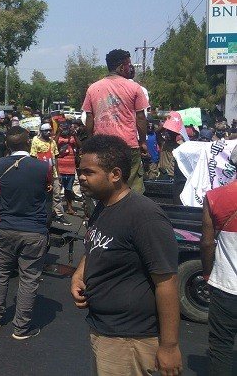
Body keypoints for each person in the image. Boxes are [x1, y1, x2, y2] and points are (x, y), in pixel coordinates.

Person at [71, 134, 182, 376]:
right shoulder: (103, 205)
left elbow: (167, 281)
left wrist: (169, 346)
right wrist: (79, 273)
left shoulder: (144, 216)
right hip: (105, 330)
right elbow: (95, 243)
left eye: (89, 172)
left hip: (131, 340)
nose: (81, 177)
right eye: (80, 171)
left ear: (115, 175)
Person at [0, 126, 49, 339]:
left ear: (7, 144)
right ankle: (21, 328)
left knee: (1, 273)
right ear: (28, 142)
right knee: (29, 278)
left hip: (7, 228)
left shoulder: (1, 164)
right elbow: (48, 190)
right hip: (34, 230)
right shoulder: (42, 167)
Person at [82, 49, 150, 194]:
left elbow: (89, 118)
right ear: (121, 67)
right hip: (128, 146)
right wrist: (143, 141)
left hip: (103, 148)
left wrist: (91, 141)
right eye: (128, 64)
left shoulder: (93, 88)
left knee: (105, 187)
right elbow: (141, 117)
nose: (130, 68)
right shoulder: (134, 87)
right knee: (132, 188)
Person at [201, 148, 237, 376]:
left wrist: (207, 275)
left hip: (226, 286)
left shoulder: (215, 197)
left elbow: (206, 244)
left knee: (221, 348)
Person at [31, 122, 71, 226]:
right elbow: (33, 157)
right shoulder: (35, 140)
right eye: (46, 131)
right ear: (41, 131)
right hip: (40, 173)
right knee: (40, 194)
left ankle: (59, 215)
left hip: (52, 173)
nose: (48, 132)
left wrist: (58, 173)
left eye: (49, 130)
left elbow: (55, 158)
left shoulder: (52, 142)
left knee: (56, 194)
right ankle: (39, 214)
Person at [55, 123, 80, 215]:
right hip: (59, 168)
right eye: (63, 128)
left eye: (66, 128)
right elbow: (53, 144)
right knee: (56, 190)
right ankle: (56, 210)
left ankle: (69, 207)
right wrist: (59, 132)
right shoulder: (58, 137)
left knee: (68, 189)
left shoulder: (72, 138)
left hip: (70, 168)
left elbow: (79, 145)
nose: (65, 130)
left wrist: (74, 135)